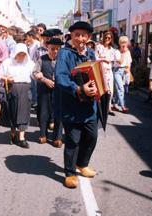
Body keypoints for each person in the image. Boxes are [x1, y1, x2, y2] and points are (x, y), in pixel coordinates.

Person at [55, 21, 98, 189]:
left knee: (92, 137)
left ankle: (82, 163)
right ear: (71, 36)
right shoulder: (65, 54)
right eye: (77, 35)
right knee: (73, 141)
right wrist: (79, 89)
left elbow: (95, 74)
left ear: (89, 37)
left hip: (89, 106)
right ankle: (70, 173)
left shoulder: (91, 53)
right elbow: (61, 78)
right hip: (71, 105)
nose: (80, 38)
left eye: (84, 35)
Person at [0, 43, 35, 148]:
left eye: (24, 54)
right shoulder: (7, 62)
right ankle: (13, 134)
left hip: (25, 88)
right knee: (12, 112)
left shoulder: (30, 63)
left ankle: (22, 137)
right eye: (19, 54)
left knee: (23, 113)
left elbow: (35, 74)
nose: (21, 56)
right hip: (11, 88)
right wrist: (6, 79)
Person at [33, 38, 64, 147]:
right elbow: (35, 73)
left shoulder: (62, 60)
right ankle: (43, 134)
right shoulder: (42, 59)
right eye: (52, 49)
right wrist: (44, 79)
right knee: (43, 112)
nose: (55, 51)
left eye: (57, 49)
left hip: (59, 90)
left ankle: (57, 137)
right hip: (44, 90)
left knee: (59, 113)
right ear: (47, 48)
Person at [95, 31, 116, 116]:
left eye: (109, 38)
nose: (107, 39)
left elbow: (111, 60)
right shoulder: (99, 47)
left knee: (110, 89)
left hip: (109, 71)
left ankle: (109, 107)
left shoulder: (112, 49)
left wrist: (102, 57)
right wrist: (103, 59)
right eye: (106, 37)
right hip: (100, 70)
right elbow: (96, 58)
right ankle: (100, 107)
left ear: (111, 39)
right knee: (101, 89)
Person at [113, 36, 132, 113]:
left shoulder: (128, 52)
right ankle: (123, 106)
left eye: (125, 42)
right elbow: (120, 62)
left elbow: (129, 62)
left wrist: (129, 71)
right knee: (121, 88)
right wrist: (123, 53)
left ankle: (115, 105)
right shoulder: (117, 52)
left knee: (119, 88)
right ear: (119, 43)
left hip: (124, 71)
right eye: (122, 43)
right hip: (117, 71)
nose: (124, 44)